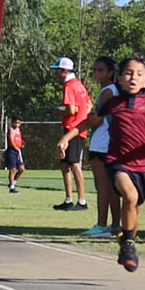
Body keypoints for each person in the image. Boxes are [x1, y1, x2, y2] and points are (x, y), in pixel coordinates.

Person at [88, 53, 145, 273]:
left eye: (139, 74)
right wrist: (66, 138)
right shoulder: (112, 103)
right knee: (129, 197)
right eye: (128, 73)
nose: (133, 78)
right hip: (117, 162)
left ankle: (125, 241)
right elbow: (91, 121)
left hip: (144, 166)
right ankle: (129, 245)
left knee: (134, 211)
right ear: (119, 78)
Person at [81, 57, 121, 239]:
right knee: (112, 187)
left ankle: (102, 224)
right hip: (109, 142)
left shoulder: (107, 91)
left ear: (111, 73)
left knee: (102, 186)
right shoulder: (114, 91)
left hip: (102, 143)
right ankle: (115, 225)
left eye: (101, 70)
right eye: (95, 70)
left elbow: (97, 119)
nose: (97, 74)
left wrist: (89, 115)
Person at [50, 57, 91, 211]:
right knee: (65, 164)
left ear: (65, 70)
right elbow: (88, 105)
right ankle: (69, 199)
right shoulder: (80, 85)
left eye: (58, 70)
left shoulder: (69, 85)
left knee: (74, 164)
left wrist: (58, 111)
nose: (56, 73)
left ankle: (82, 201)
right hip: (79, 127)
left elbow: (71, 109)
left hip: (73, 128)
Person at [3, 117, 25, 194]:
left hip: (18, 151)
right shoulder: (11, 130)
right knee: (13, 169)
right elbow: (11, 139)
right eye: (15, 122)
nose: (17, 124)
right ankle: (12, 187)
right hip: (12, 150)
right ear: (12, 122)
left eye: (18, 123)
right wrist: (15, 147)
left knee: (22, 169)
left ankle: (13, 183)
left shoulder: (19, 130)